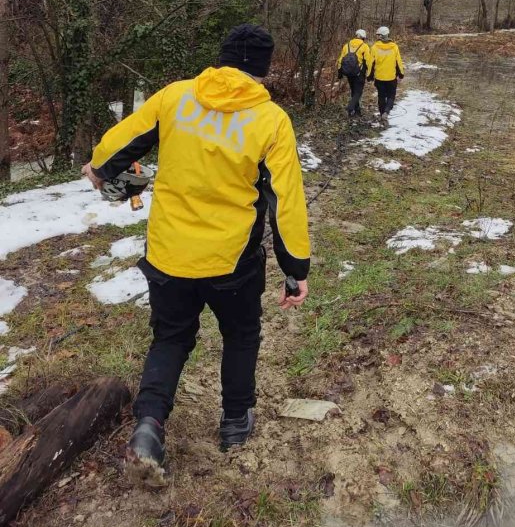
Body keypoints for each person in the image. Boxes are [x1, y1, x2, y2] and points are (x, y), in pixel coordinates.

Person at [81, 24, 310, 482]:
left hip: (169, 253)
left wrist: (105, 172)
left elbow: (110, 153)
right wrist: (294, 270)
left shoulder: (176, 97)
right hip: (232, 261)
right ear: (262, 71)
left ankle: (148, 425)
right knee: (241, 335)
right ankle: (234, 425)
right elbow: (285, 202)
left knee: (170, 338)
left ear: (220, 59)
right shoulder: (270, 121)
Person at [368, 26, 404, 125]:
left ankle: (381, 115)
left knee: (381, 96)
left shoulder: (375, 47)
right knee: (391, 96)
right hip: (391, 78)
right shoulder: (394, 47)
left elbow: (371, 63)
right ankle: (386, 113)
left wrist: (369, 76)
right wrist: (401, 74)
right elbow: (398, 62)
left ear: (380, 35)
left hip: (379, 77)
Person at [337, 29, 372, 119]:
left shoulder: (346, 45)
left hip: (348, 73)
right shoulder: (364, 46)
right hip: (359, 73)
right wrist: (370, 73)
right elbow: (368, 61)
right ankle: (350, 108)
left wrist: (339, 72)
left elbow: (340, 60)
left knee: (353, 91)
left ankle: (357, 111)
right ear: (363, 37)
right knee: (358, 92)